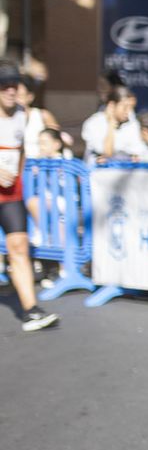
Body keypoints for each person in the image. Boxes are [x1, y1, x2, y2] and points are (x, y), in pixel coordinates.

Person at [0, 61, 59, 332]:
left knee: (20, 246)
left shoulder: (22, 114)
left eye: (15, 85)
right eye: (5, 85)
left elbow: (21, 149)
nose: (11, 90)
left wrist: (19, 177)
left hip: (11, 193)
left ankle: (30, 310)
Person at [80, 85, 142, 164]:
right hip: (97, 173)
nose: (128, 111)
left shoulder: (132, 123)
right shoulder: (93, 123)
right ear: (112, 105)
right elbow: (106, 152)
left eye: (131, 107)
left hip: (123, 172)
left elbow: (136, 151)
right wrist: (111, 124)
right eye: (125, 107)